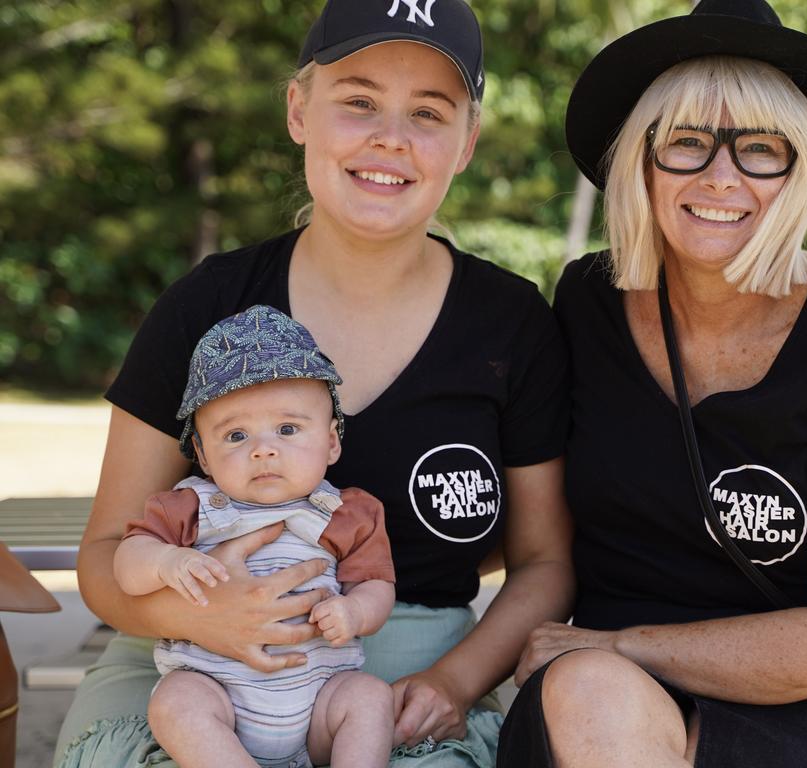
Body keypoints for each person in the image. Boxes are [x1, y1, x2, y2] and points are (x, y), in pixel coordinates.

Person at [54, 1, 575, 766]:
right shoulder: (209, 304)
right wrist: (205, 618)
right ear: (299, 110)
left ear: (467, 142)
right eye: (358, 101)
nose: (389, 138)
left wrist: (454, 683)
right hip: (186, 674)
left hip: (390, 686)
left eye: (428, 112)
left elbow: (544, 563)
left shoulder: (511, 323)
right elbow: (103, 556)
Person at [497, 1, 807, 766]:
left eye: (759, 149)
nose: (720, 176)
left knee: (592, 680)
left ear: (798, 168)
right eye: (687, 142)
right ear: (641, 159)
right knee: (590, 694)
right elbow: (525, 517)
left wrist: (621, 643)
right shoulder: (586, 302)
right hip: (598, 706)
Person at [113, 305, 396, 768]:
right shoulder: (188, 507)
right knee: (175, 703)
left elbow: (378, 586)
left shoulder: (348, 513)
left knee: (369, 698)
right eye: (236, 435)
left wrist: (355, 610)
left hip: (317, 698)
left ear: (330, 442)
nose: (263, 449)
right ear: (202, 456)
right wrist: (165, 562)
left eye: (288, 429)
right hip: (217, 691)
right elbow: (127, 563)